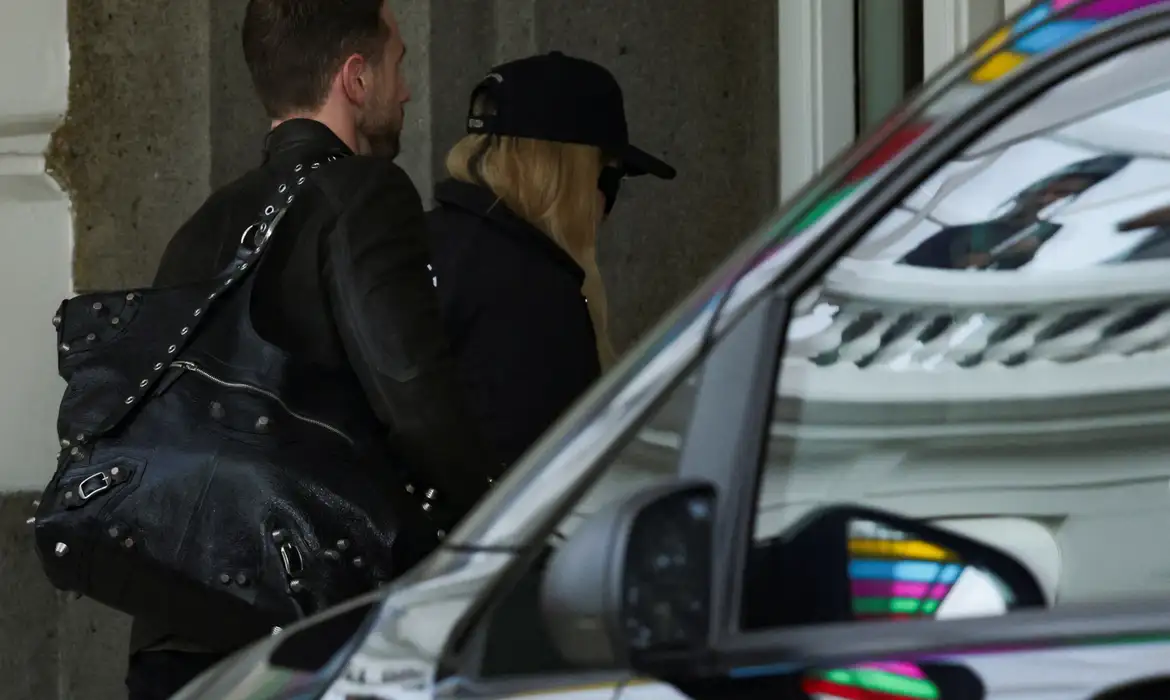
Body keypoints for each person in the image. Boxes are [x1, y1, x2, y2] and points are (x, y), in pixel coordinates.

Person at [125, 2, 491, 698]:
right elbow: (413, 395)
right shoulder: (364, 193)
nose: (407, 90)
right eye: (397, 64)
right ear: (356, 78)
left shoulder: (199, 226)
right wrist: (505, 513)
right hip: (303, 632)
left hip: (176, 633)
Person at [426, 51, 676, 472]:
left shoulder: (419, 240)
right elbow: (549, 481)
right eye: (610, 176)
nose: (607, 206)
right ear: (568, 173)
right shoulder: (534, 295)